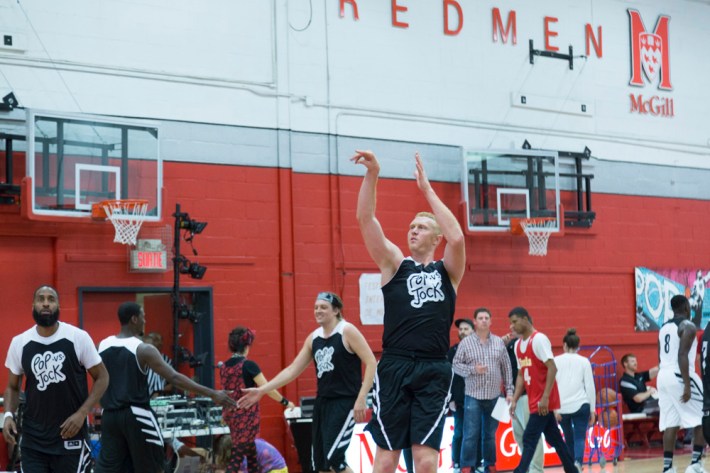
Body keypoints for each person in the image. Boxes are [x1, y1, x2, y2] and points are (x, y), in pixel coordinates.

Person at [239, 291, 376, 473]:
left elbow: (371, 362)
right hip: (322, 403)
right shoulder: (314, 338)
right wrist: (262, 390)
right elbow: (292, 370)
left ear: (336, 310)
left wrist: (362, 397)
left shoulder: (347, 331)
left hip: (345, 402)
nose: (318, 311)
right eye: (316, 307)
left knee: (334, 460)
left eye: (324, 307)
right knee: (320, 465)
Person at [95, 301, 236, 473]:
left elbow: (97, 378)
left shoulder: (101, 345)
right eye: (143, 317)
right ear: (134, 319)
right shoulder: (143, 349)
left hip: (109, 416)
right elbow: (174, 377)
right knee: (153, 468)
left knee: (109, 469)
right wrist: (212, 393)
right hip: (136, 415)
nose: (145, 321)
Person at [2, 285, 109, 473]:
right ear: (33, 306)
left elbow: (102, 377)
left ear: (58, 306)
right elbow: (12, 387)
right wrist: (8, 415)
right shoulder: (20, 342)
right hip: (33, 440)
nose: (46, 303)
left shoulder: (78, 337)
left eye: (51, 299)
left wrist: (82, 413)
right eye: (41, 299)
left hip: (70, 436)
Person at [507, 307, 578, 473]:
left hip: (543, 399)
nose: (511, 326)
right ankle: (571, 469)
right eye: (510, 323)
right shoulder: (517, 346)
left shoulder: (538, 339)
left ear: (525, 319)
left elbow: (552, 368)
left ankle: (520, 471)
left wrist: (545, 397)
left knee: (529, 437)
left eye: (515, 322)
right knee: (554, 439)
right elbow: (521, 375)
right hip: (534, 398)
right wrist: (515, 399)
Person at [220, 326, 295, 473]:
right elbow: (268, 388)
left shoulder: (223, 367)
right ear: (247, 346)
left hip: (231, 418)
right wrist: (286, 402)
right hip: (247, 419)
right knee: (240, 460)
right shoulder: (249, 365)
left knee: (248, 459)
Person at [452, 308, 513, 473]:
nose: (484, 320)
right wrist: (473, 370)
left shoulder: (499, 342)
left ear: (491, 321)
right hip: (473, 396)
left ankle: (490, 465)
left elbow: (506, 368)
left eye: (487, 318)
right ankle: (466, 467)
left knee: (490, 435)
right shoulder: (466, 343)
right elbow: (455, 365)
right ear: (475, 322)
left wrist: (509, 391)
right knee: (470, 435)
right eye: (481, 318)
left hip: (495, 396)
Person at [656, 295, 705, 473]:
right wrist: (686, 384)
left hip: (663, 375)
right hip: (680, 373)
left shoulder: (663, 328)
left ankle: (667, 468)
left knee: (671, 423)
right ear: (686, 308)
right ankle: (695, 464)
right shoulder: (688, 326)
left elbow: (659, 356)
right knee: (705, 415)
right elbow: (682, 355)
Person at [554, 328, 596, 470]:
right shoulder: (584, 361)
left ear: (564, 345)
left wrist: (554, 410)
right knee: (579, 437)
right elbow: (590, 387)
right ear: (578, 346)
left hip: (562, 406)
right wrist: (593, 410)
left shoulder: (555, 361)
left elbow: (552, 386)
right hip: (581, 404)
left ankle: (571, 465)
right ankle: (578, 463)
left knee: (568, 437)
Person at [502, 331, 543, 473]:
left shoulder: (529, 345)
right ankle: (528, 464)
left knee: (532, 435)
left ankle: (536, 469)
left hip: (527, 396)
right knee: (519, 435)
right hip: (513, 397)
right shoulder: (508, 347)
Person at [448, 318, 474, 473]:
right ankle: (457, 464)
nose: (462, 332)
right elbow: (449, 377)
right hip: (458, 401)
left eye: (466, 329)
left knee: (476, 433)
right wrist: (451, 398)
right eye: (460, 329)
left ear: (473, 331)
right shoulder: (452, 351)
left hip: (477, 399)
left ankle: (475, 464)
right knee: (459, 433)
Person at [144, 332, 173, 397]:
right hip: (141, 396)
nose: (160, 343)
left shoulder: (166, 360)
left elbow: (172, 383)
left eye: (161, 340)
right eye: (156, 340)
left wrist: (159, 391)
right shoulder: (141, 358)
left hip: (160, 396)